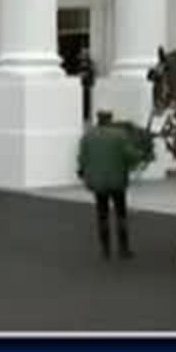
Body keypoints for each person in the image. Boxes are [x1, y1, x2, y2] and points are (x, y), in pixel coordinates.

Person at [77, 110, 138, 260]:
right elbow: (130, 156)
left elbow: (82, 159)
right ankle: (123, 249)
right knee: (120, 214)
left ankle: (105, 250)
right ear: (110, 119)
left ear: (98, 119)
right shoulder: (120, 136)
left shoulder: (88, 136)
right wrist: (138, 156)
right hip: (117, 182)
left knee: (102, 215)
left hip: (98, 183)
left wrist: (85, 173)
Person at [77, 49, 96, 124]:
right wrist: (79, 74)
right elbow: (77, 72)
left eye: (85, 53)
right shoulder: (79, 63)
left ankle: (86, 115)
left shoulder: (90, 63)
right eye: (82, 53)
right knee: (81, 100)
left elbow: (92, 72)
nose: (83, 55)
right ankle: (82, 114)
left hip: (87, 85)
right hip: (80, 85)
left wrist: (86, 74)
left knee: (87, 101)